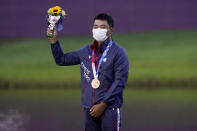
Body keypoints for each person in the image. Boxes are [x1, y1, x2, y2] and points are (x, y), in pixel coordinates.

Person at [47, 13, 129, 131]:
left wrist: (103, 104)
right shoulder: (86, 52)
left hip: (109, 109)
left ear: (111, 30)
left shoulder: (119, 53)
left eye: (102, 27)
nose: (98, 29)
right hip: (89, 109)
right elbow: (61, 60)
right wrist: (54, 41)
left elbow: (120, 82)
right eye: (95, 27)